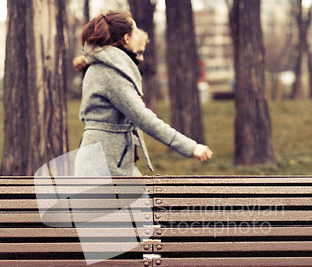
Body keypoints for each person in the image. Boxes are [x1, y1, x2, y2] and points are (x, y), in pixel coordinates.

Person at [73, 9, 213, 177]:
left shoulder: (105, 68)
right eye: (135, 30)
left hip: (106, 161)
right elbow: (143, 118)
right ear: (127, 38)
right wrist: (190, 147)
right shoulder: (110, 72)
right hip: (103, 166)